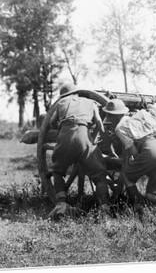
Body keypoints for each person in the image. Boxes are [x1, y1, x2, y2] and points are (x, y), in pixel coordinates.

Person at [47, 83, 110, 219]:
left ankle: (62, 204)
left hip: (65, 136)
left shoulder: (61, 103)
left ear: (64, 96)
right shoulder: (90, 102)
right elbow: (99, 123)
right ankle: (105, 207)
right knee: (99, 175)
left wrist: (61, 127)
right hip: (84, 135)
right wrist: (94, 138)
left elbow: (51, 123)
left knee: (57, 172)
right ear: (77, 93)